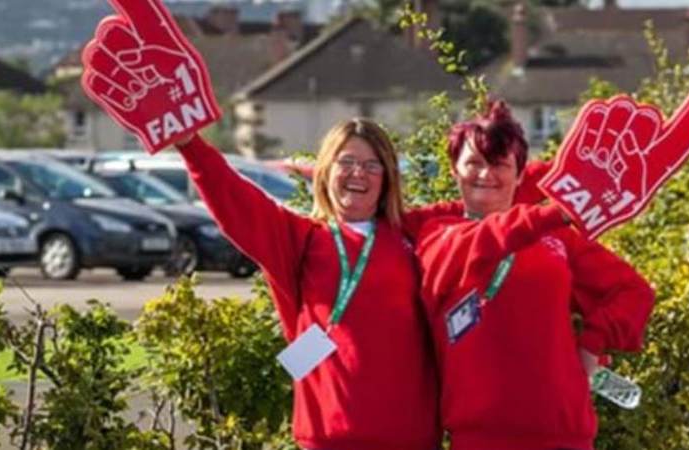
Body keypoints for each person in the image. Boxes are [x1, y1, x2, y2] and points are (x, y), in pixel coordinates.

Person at [174, 120, 448, 450]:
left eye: (371, 165)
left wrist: (522, 173)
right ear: (325, 171)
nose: (357, 173)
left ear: (387, 176)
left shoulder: (414, 234)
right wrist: (190, 144)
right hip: (327, 437)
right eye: (346, 162)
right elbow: (235, 199)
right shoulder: (301, 239)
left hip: (408, 439)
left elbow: (489, 203)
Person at [414, 101, 656, 450]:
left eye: (499, 164)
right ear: (454, 169)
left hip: (561, 429)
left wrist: (591, 345)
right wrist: (560, 209)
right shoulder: (437, 234)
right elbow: (491, 238)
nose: (486, 175)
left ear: (520, 173)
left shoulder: (557, 239)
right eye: (474, 163)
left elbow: (632, 291)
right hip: (481, 433)